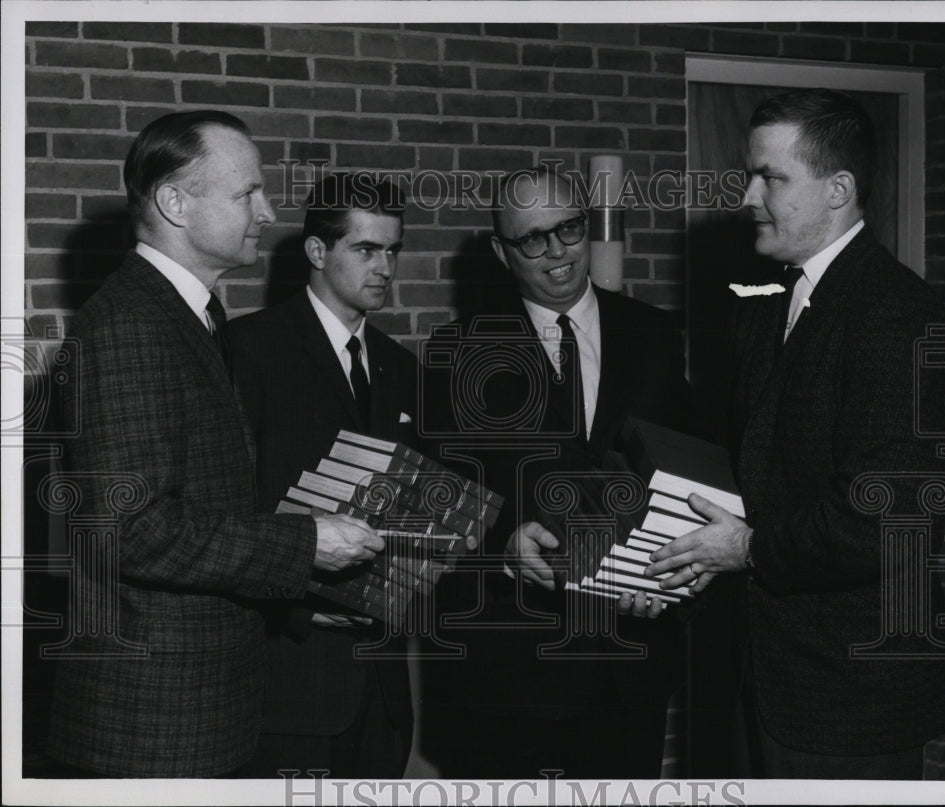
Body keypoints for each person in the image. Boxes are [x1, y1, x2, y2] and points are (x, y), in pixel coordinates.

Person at [46, 111, 384, 777]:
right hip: (155, 723)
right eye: (246, 193)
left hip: (196, 707)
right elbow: (132, 526)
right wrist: (308, 543)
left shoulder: (186, 314)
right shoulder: (130, 325)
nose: (268, 208)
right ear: (175, 202)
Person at [646, 88, 945, 779]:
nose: (748, 198)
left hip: (850, 698)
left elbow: (891, 518)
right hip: (759, 683)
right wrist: (665, 559)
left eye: (773, 177)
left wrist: (749, 546)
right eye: (751, 175)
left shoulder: (899, 313)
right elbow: (745, 474)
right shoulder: (765, 307)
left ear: (838, 190)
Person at [421, 166, 692, 778]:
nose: (558, 253)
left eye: (569, 229)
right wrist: (502, 544)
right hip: (512, 671)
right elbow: (440, 500)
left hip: (632, 660)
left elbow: (685, 471)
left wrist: (670, 578)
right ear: (500, 251)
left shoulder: (653, 335)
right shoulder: (457, 353)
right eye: (532, 239)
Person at [229, 174, 415, 777]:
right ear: (317, 251)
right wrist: (299, 611)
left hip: (382, 690)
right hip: (285, 680)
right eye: (366, 249)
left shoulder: (401, 366)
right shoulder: (247, 350)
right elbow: (220, 516)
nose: (384, 266)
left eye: (392, 250)